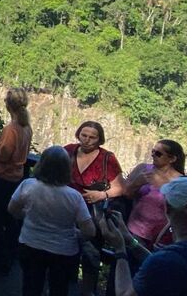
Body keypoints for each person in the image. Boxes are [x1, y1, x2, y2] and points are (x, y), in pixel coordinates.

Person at [101, 177, 187, 296]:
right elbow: (162, 262)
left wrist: (120, 250)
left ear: (167, 209)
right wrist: (130, 241)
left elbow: (124, 294)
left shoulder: (163, 261)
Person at [8, 146, 96, 296]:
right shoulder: (74, 196)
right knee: (59, 289)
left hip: (31, 243)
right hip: (63, 251)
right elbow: (90, 231)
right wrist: (76, 233)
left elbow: (13, 209)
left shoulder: (28, 185)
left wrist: (29, 217)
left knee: (30, 287)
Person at [64, 121, 125, 296]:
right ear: (78, 134)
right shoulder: (68, 151)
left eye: (92, 137)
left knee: (91, 254)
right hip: (67, 210)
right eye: (84, 135)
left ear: (100, 139)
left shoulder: (107, 159)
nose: (87, 140)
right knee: (65, 252)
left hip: (92, 214)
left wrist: (101, 195)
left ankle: (86, 292)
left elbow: (121, 187)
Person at [0, 87, 32, 273]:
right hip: (17, 179)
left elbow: (3, 157)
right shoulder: (26, 127)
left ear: (8, 105)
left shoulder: (11, 129)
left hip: (3, 180)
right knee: (10, 221)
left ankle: (1, 260)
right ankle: (9, 255)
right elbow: (13, 150)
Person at [124, 139, 185, 248]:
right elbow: (126, 194)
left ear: (172, 159)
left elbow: (181, 208)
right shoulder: (142, 169)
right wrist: (136, 184)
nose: (153, 155)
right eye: (152, 151)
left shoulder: (181, 181)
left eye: (158, 153)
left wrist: (162, 185)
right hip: (135, 230)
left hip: (161, 237)